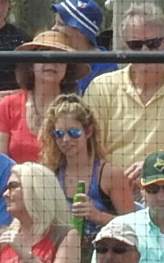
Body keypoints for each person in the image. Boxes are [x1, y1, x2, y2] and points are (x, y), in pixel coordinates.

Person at [82, 4, 164, 174]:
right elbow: (89, 151)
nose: (145, 51)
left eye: (152, 44)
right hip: (114, 186)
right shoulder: (101, 88)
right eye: (136, 45)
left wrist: (157, 167)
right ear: (125, 47)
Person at [38, 95, 132, 249]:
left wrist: (97, 216)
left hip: (102, 253)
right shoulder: (50, 174)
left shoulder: (109, 174)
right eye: (59, 134)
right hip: (61, 252)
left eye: (73, 132)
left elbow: (134, 226)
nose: (65, 139)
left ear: (88, 132)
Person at [0, 30, 86, 164]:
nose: (52, 63)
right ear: (31, 65)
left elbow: (79, 163)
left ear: (68, 68)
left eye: (60, 57)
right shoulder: (8, 105)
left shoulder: (77, 109)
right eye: (44, 55)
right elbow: (0, 162)